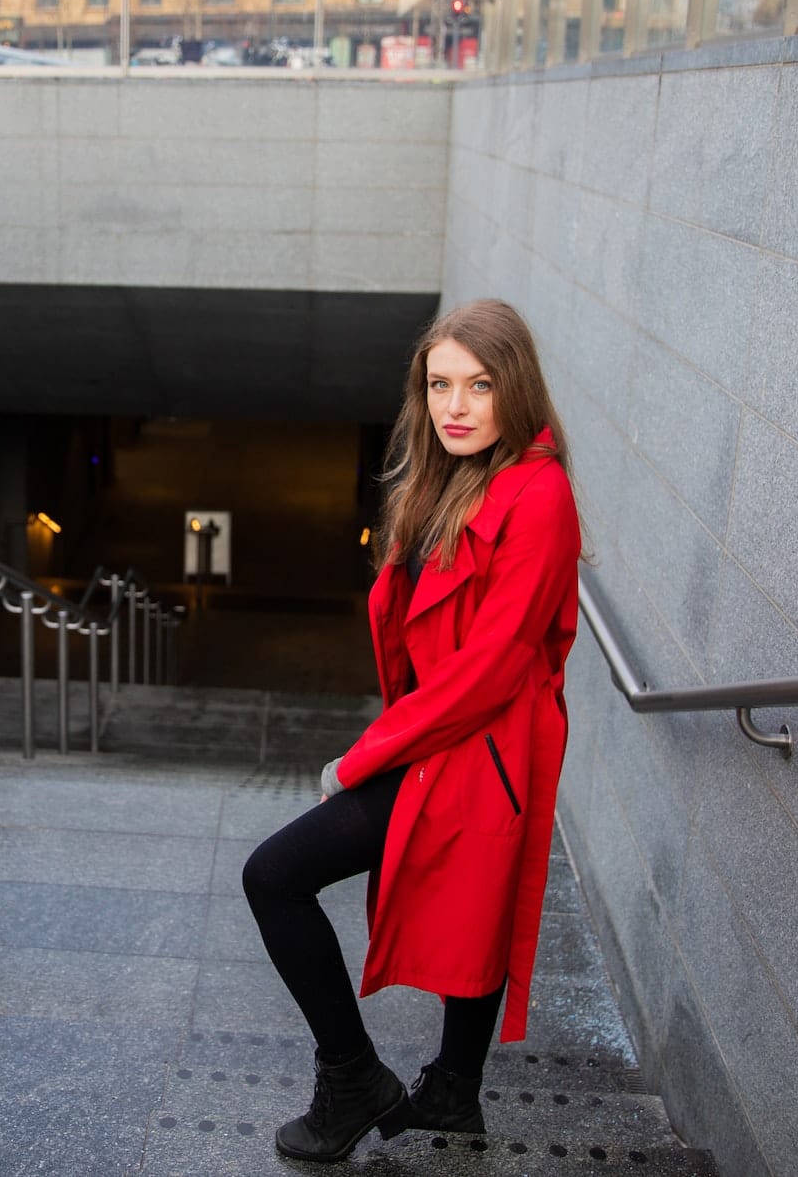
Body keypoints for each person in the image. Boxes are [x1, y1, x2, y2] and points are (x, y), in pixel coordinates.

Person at [241, 299, 583, 1163]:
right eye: (439, 384)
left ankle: (353, 1076)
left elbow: (491, 666)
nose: (456, 404)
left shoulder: (538, 496)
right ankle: (454, 1093)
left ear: (518, 389)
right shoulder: (447, 477)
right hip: (443, 737)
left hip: (479, 745)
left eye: (479, 384)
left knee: (274, 874)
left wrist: (364, 755)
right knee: (476, 903)